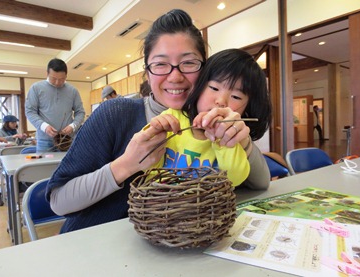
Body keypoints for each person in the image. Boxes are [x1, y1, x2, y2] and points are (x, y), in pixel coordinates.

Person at [46, 9, 270, 234]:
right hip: (97, 247)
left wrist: (242, 141)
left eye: (189, 63)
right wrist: (127, 164)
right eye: (161, 64)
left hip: (180, 246)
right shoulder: (115, 113)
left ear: (205, 70)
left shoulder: (215, 123)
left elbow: (260, 183)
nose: (175, 76)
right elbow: (58, 200)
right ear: (147, 73)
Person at [146, 48, 271, 187]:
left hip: (207, 206)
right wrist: (155, 134)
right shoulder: (172, 117)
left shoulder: (230, 138)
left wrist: (223, 142)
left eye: (236, 97)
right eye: (214, 88)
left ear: (246, 109)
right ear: (199, 87)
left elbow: (233, 179)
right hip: (162, 203)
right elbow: (146, 167)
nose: (221, 101)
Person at [25, 58, 85, 153]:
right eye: (53, 78)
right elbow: (30, 111)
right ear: (47, 73)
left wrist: (73, 126)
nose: (57, 83)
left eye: (61, 79)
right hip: (44, 140)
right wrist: (44, 126)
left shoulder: (72, 91)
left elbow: (80, 112)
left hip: (67, 139)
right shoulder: (36, 88)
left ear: (66, 75)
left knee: (69, 167)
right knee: (44, 167)